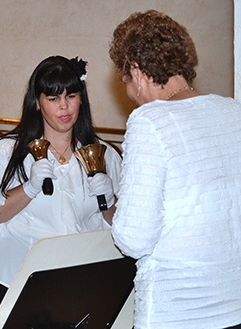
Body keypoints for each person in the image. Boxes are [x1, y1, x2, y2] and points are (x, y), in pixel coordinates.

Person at [109, 10, 241, 329]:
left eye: (126, 79)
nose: (129, 91)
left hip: (178, 310)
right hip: (234, 303)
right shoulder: (232, 111)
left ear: (137, 71)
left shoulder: (150, 121)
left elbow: (133, 238)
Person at [0, 56, 122, 328]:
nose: (64, 106)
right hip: (10, 282)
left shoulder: (104, 155)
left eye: (71, 96)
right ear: (37, 103)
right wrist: (28, 188)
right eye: (53, 98)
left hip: (77, 287)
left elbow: (122, 226)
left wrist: (110, 202)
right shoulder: (8, 152)